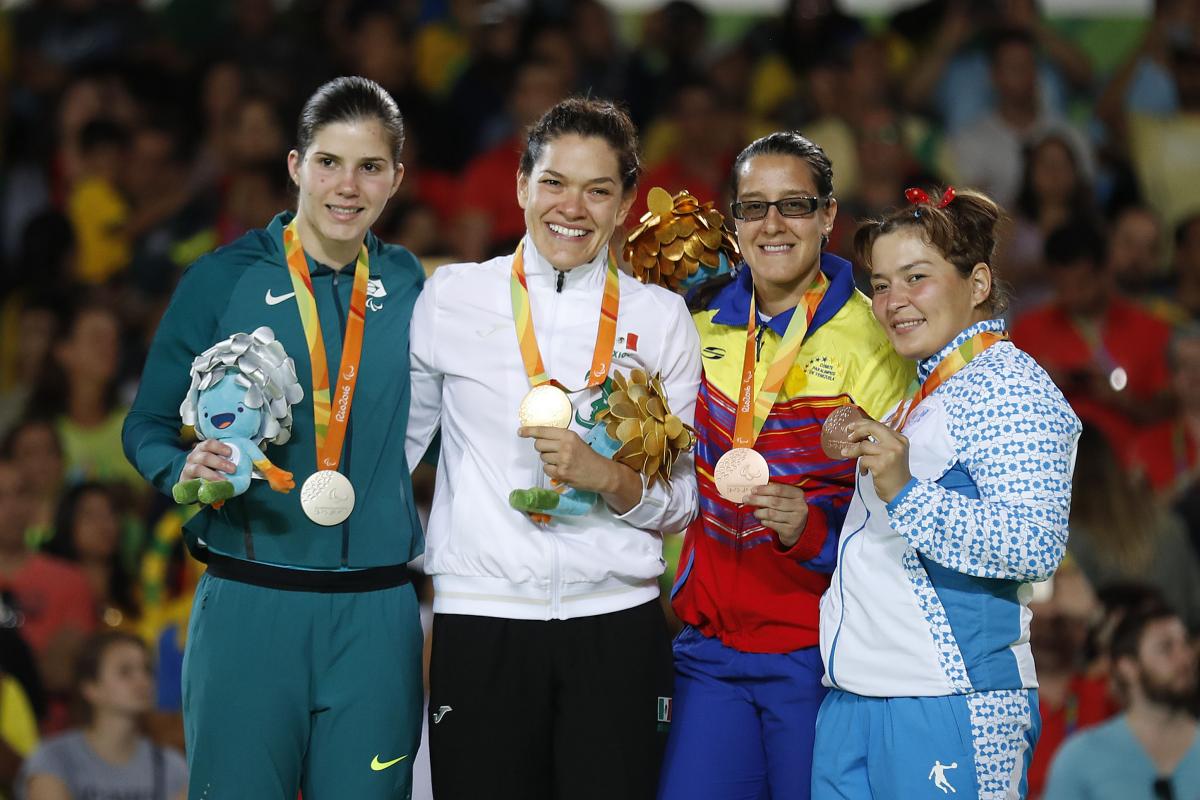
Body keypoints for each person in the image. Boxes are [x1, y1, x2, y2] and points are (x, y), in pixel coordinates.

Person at [121, 76, 425, 799]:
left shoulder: (413, 285)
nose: (347, 187)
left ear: (396, 180)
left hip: (377, 617)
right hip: (250, 605)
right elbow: (147, 425)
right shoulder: (221, 280)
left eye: (370, 167)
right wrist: (180, 466)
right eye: (329, 163)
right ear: (295, 165)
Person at [407, 97, 701, 800]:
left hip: (616, 623)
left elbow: (683, 498)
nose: (573, 207)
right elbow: (393, 452)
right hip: (482, 618)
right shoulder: (453, 295)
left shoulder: (659, 318)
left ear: (626, 201)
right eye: (554, 183)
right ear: (521, 186)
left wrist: (607, 477)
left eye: (598, 189)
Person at [659, 132, 912, 800]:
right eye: (753, 207)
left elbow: (902, 510)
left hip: (821, 654)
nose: (773, 224)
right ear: (733, 220)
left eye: (794, 205)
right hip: (709, 654)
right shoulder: (693, 322)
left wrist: (814, 526)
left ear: (830, 216)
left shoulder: (877, 341)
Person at [812, 187, 1082, 799]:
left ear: (978, 282)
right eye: (880, 284)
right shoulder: (921, 392)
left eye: (916, 278)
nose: (893, 301)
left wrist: (907, 493)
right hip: (858, 694)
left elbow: (1035, 546)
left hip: (952, 700)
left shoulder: (1011, 387)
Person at [1043, 604, 1200, 799]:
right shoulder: (1081, 757)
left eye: (1185, 643)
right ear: (1128, 667)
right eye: (1166, 648)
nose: (1185, 657)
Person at [20, 631, 187, 800]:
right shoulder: (55, 758)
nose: (142, 680)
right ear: (91, 688)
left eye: (146, 669)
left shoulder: (170, 765)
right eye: (125, 671)